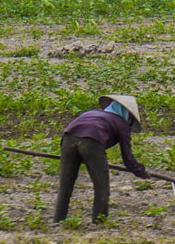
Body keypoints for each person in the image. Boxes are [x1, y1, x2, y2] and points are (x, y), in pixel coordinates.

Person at [53, 95, 149, 224]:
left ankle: (58, 221)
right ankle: (99, 223)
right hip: (93, 142)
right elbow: (128, 159)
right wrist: (141, 171)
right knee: (101, 188)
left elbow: (74, 132)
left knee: (65, 186)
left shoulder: (92, 113)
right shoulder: (121, 124)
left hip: (67, 140)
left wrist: (77, 157)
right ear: (127, 115)